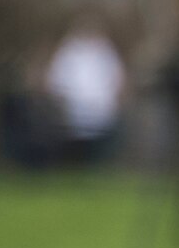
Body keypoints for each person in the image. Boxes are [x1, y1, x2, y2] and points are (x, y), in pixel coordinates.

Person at [44, 17, 125, 166]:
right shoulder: (69, 52)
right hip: (74, 110)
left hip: (101, 109)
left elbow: (116, 78)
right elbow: (57, 80)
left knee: (97, 150)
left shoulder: (105, 53)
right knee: (76, 148)